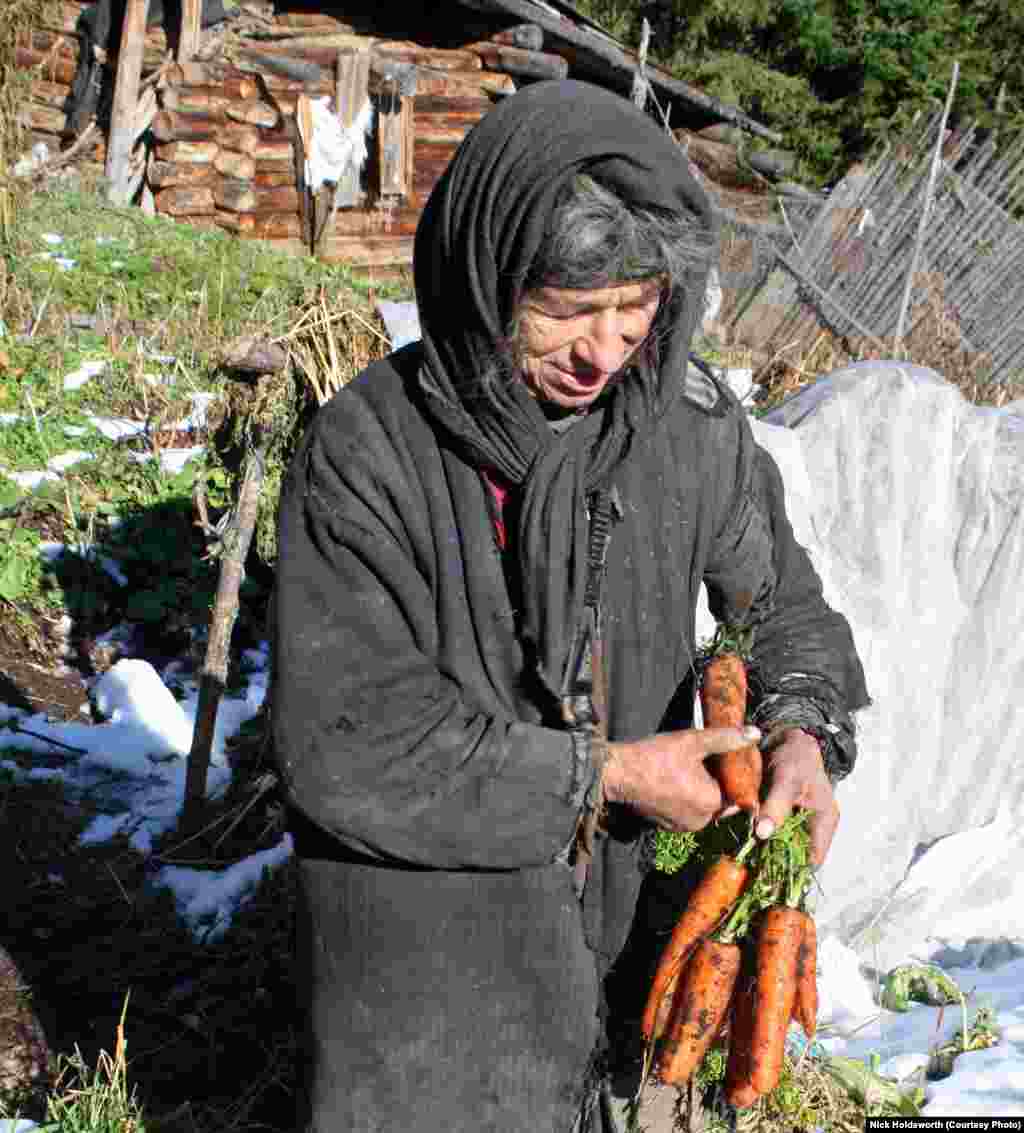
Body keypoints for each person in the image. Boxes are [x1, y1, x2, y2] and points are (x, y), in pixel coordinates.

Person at [272, 79, 870, 1133]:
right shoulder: (369, 453)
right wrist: (603, 775)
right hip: (431, 954)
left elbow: (781, 607)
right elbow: (348, 743)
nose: (604, 351)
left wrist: (803, 730)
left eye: (634, 309)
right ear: (486, 277)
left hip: (638, 940)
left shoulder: (687, 429)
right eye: (565, 309)